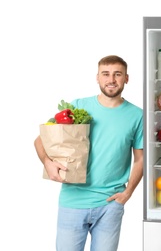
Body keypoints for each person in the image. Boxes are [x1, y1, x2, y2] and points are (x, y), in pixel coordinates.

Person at [34, 55, 143, 251]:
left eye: (117, 74)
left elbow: (140, 159)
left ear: (127, 78)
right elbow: (41, 139)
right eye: (106, 74)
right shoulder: (78, 106)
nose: (111, 80)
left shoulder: (137, 115)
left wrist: (128, 193)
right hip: (73, 200)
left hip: (110, 204)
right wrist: (47, 162)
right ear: (97, 78)